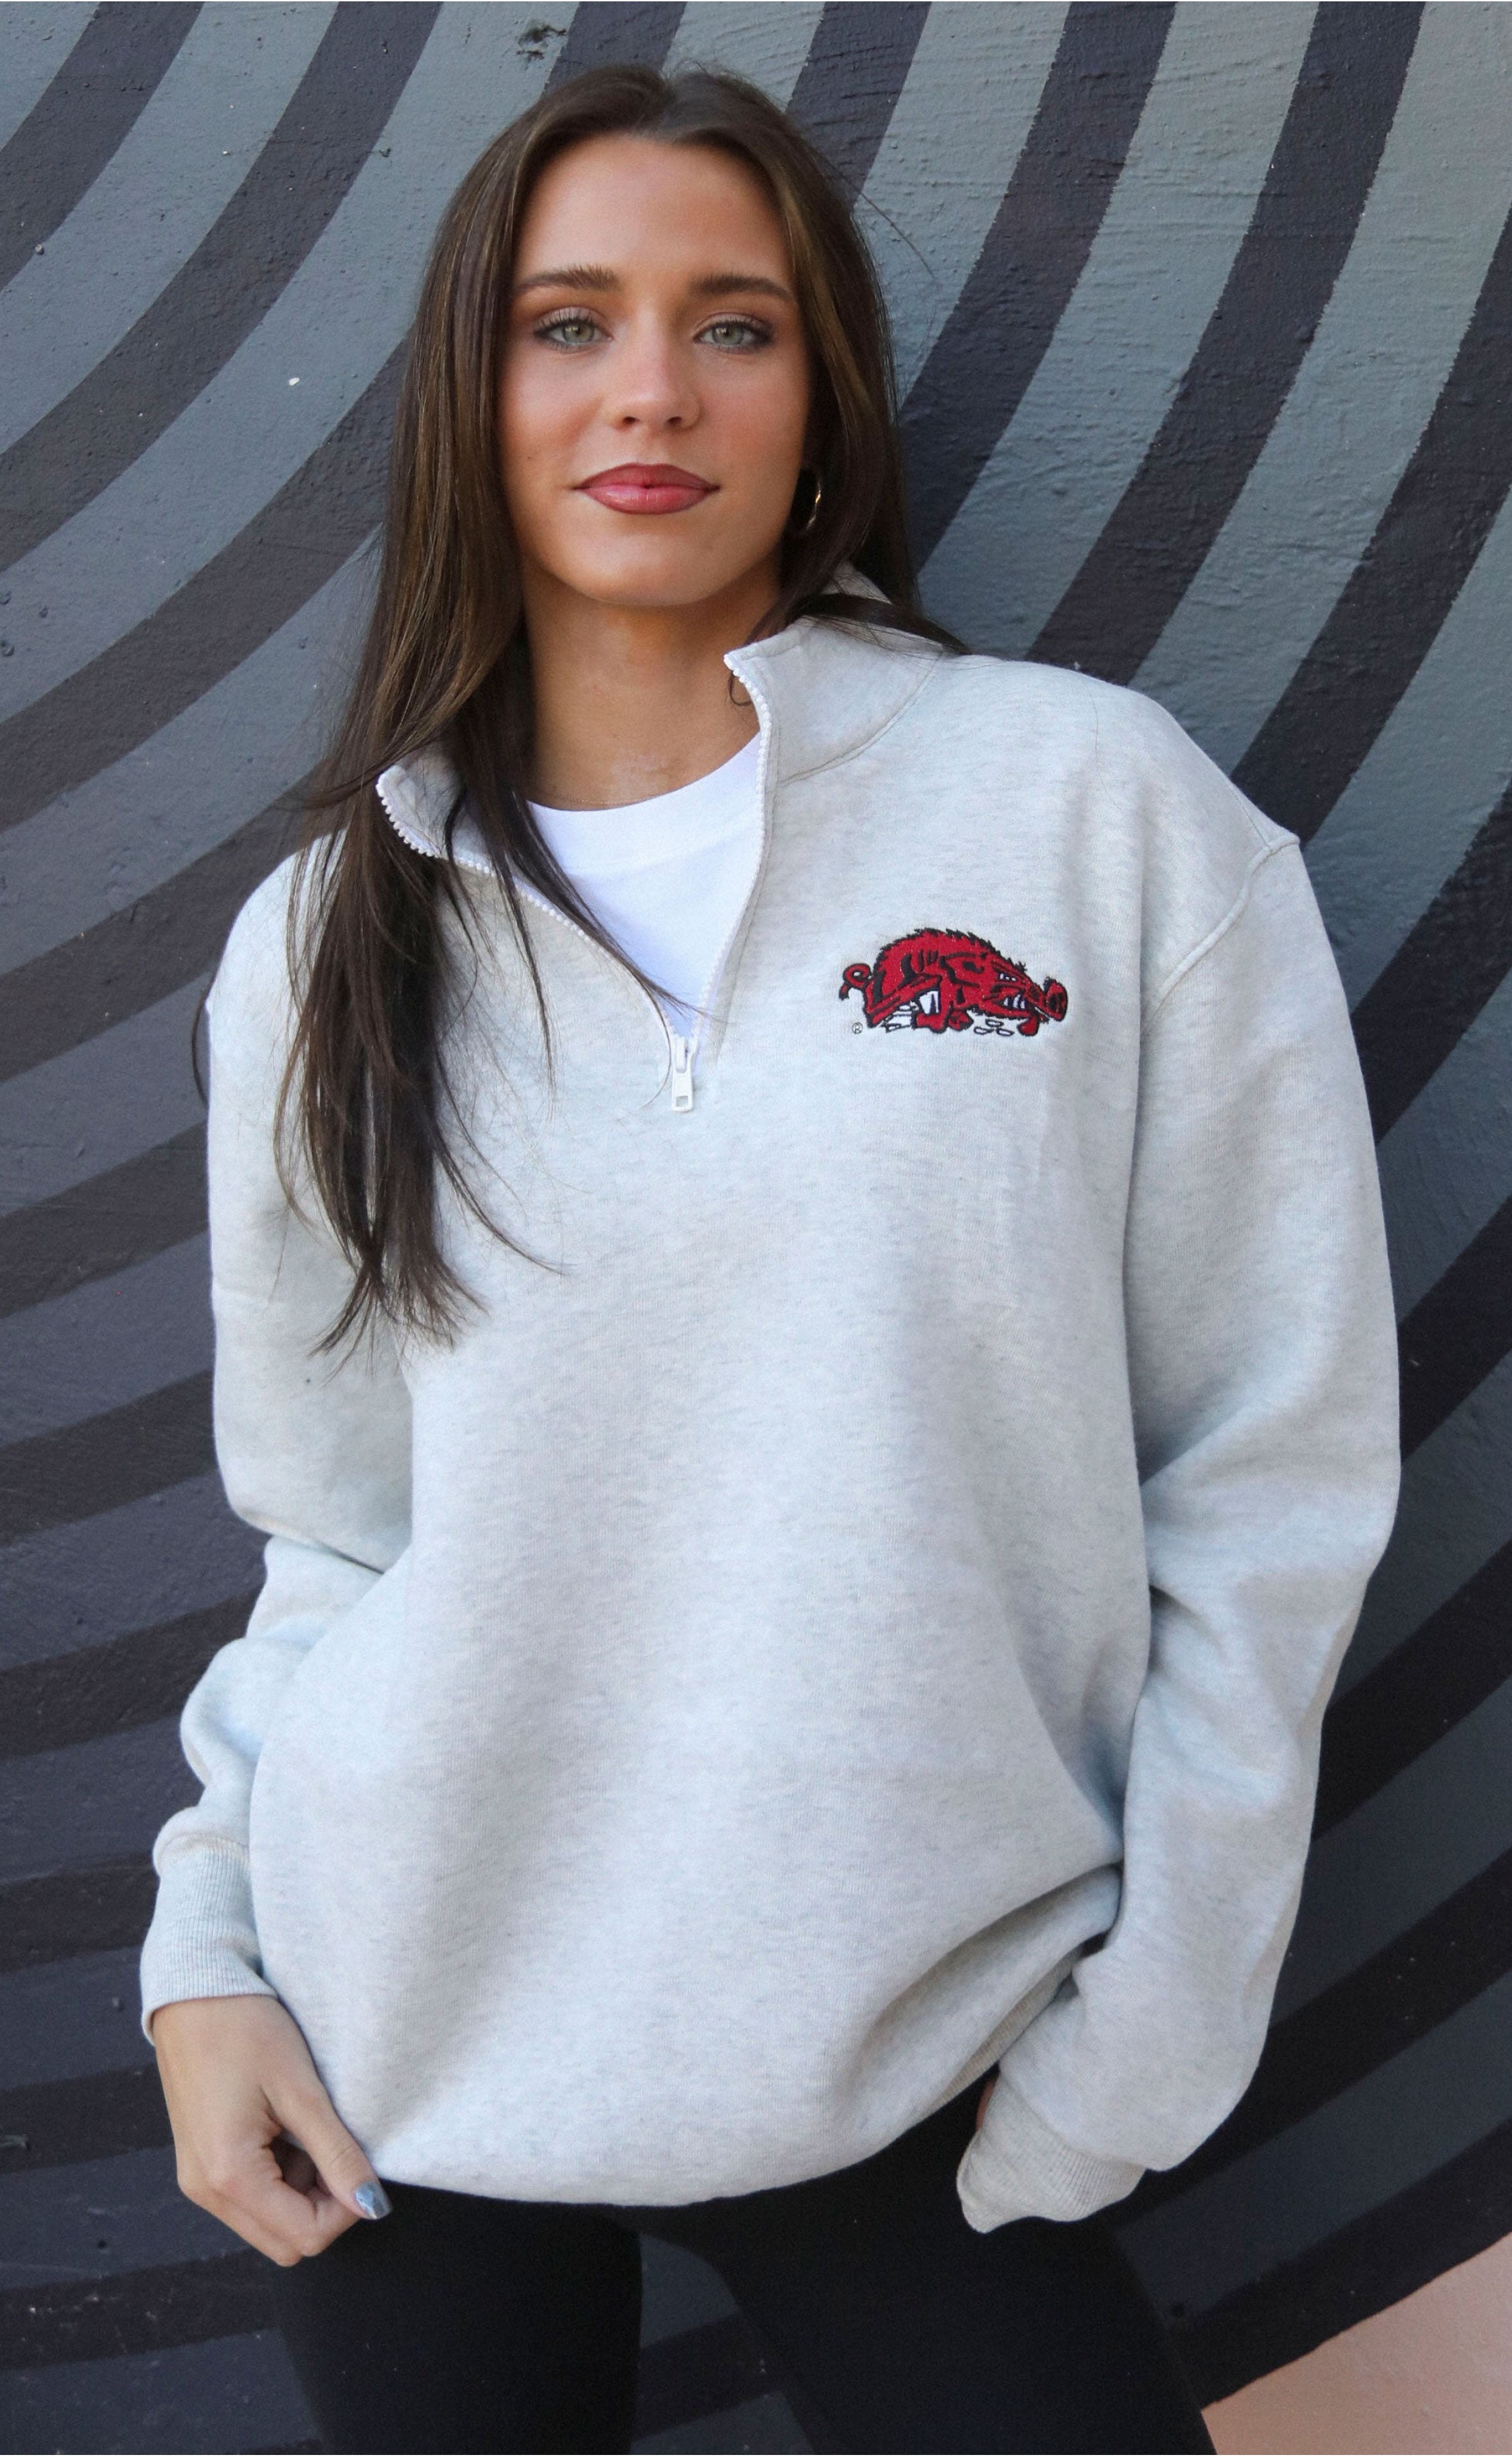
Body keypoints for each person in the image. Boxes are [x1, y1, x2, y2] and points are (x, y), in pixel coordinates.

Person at [144, 64, 1399, 2457]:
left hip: (941, 2038)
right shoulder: (324, 938)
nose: (650, 390)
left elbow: (1272, 1467)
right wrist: (207, 1956)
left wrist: (1147, 2033)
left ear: (822, 403)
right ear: (471, 395)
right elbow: (335, 1531)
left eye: (734, 326)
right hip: (405, 2045)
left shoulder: (1090, 813)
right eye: (568, 324)